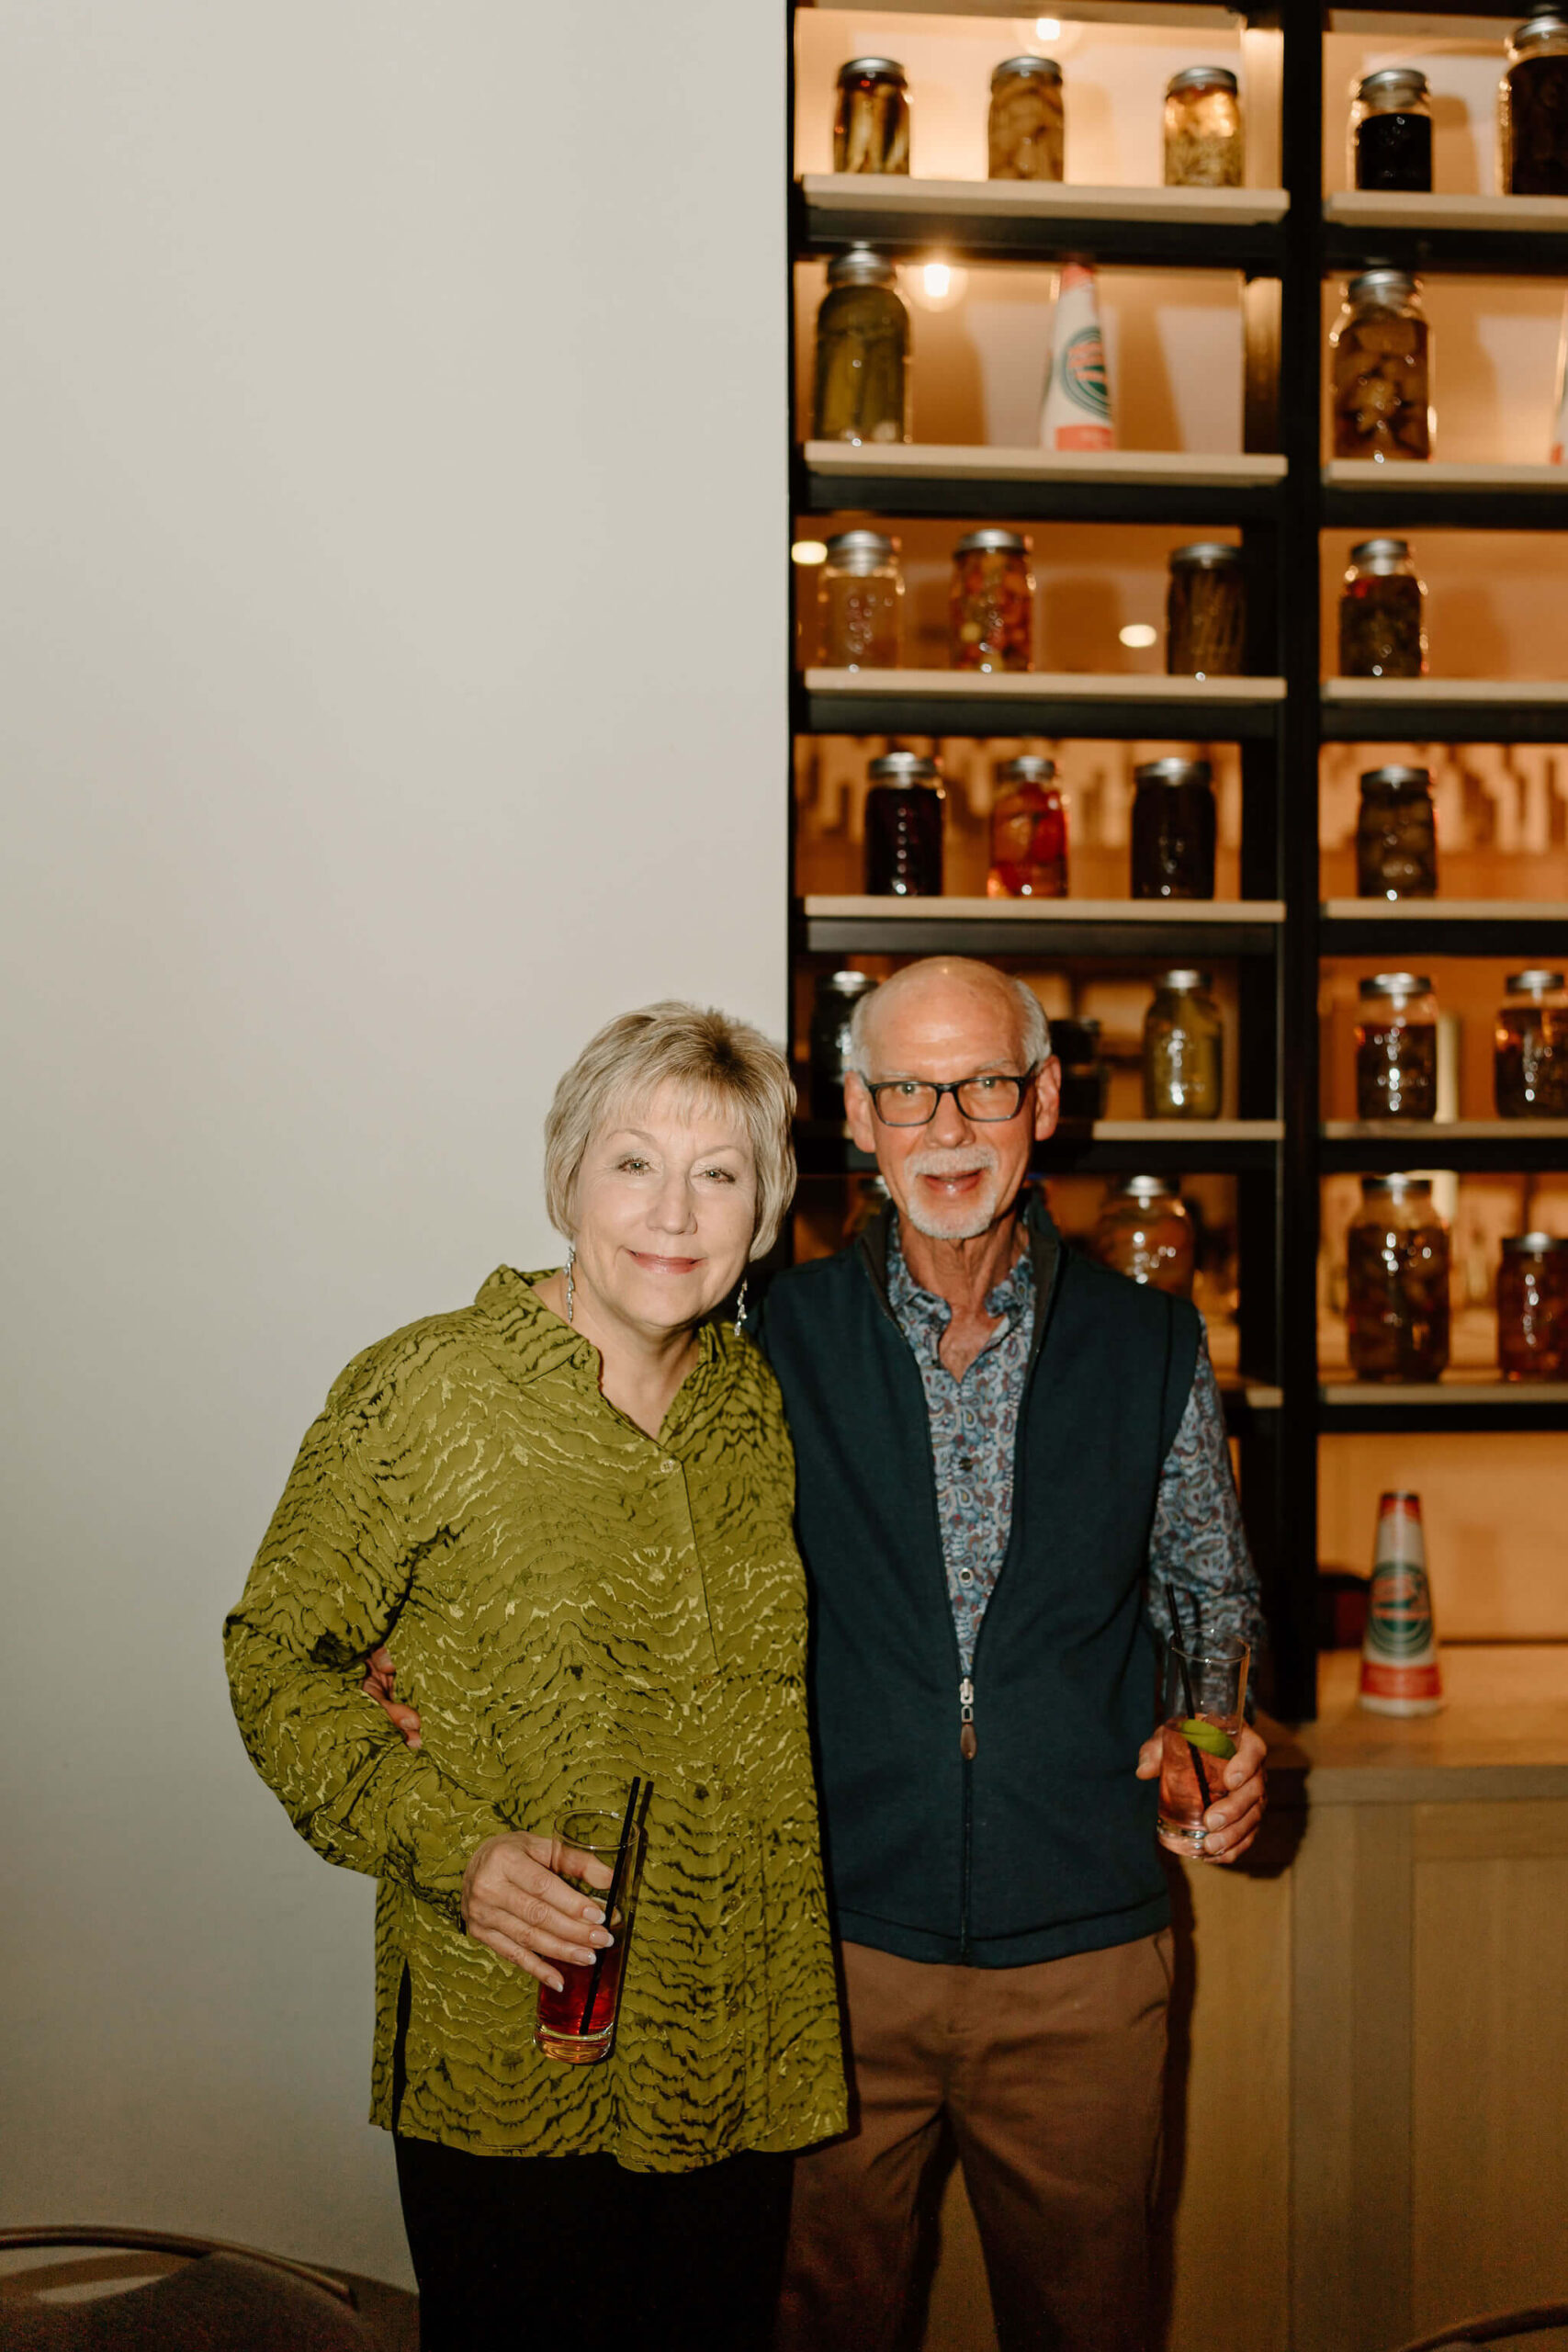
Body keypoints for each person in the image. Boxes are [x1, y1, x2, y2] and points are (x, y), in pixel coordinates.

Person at [223, 1001, 846, 2352]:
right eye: (634, 1163)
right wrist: (454, 1849)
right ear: (567, 1181)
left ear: (764, 1211)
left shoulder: (757, 1411)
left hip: (732, 2046)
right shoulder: (426, 1391)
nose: (673, 1212)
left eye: (719, 1173)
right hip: (510, 2049)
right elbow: (278, 1661)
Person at [758, 956, 1268, 2352]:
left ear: (1041, 1101)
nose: (946, 1128)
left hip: (1084, 1961)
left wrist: (1218, 1739)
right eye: (908, 1093)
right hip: (833, 1946)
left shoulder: (1150, 1338)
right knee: (816, 2326)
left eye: (983, 1085)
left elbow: (1209, 1595)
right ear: (855, 1115)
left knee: (1092, 2325)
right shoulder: (770, 1335)